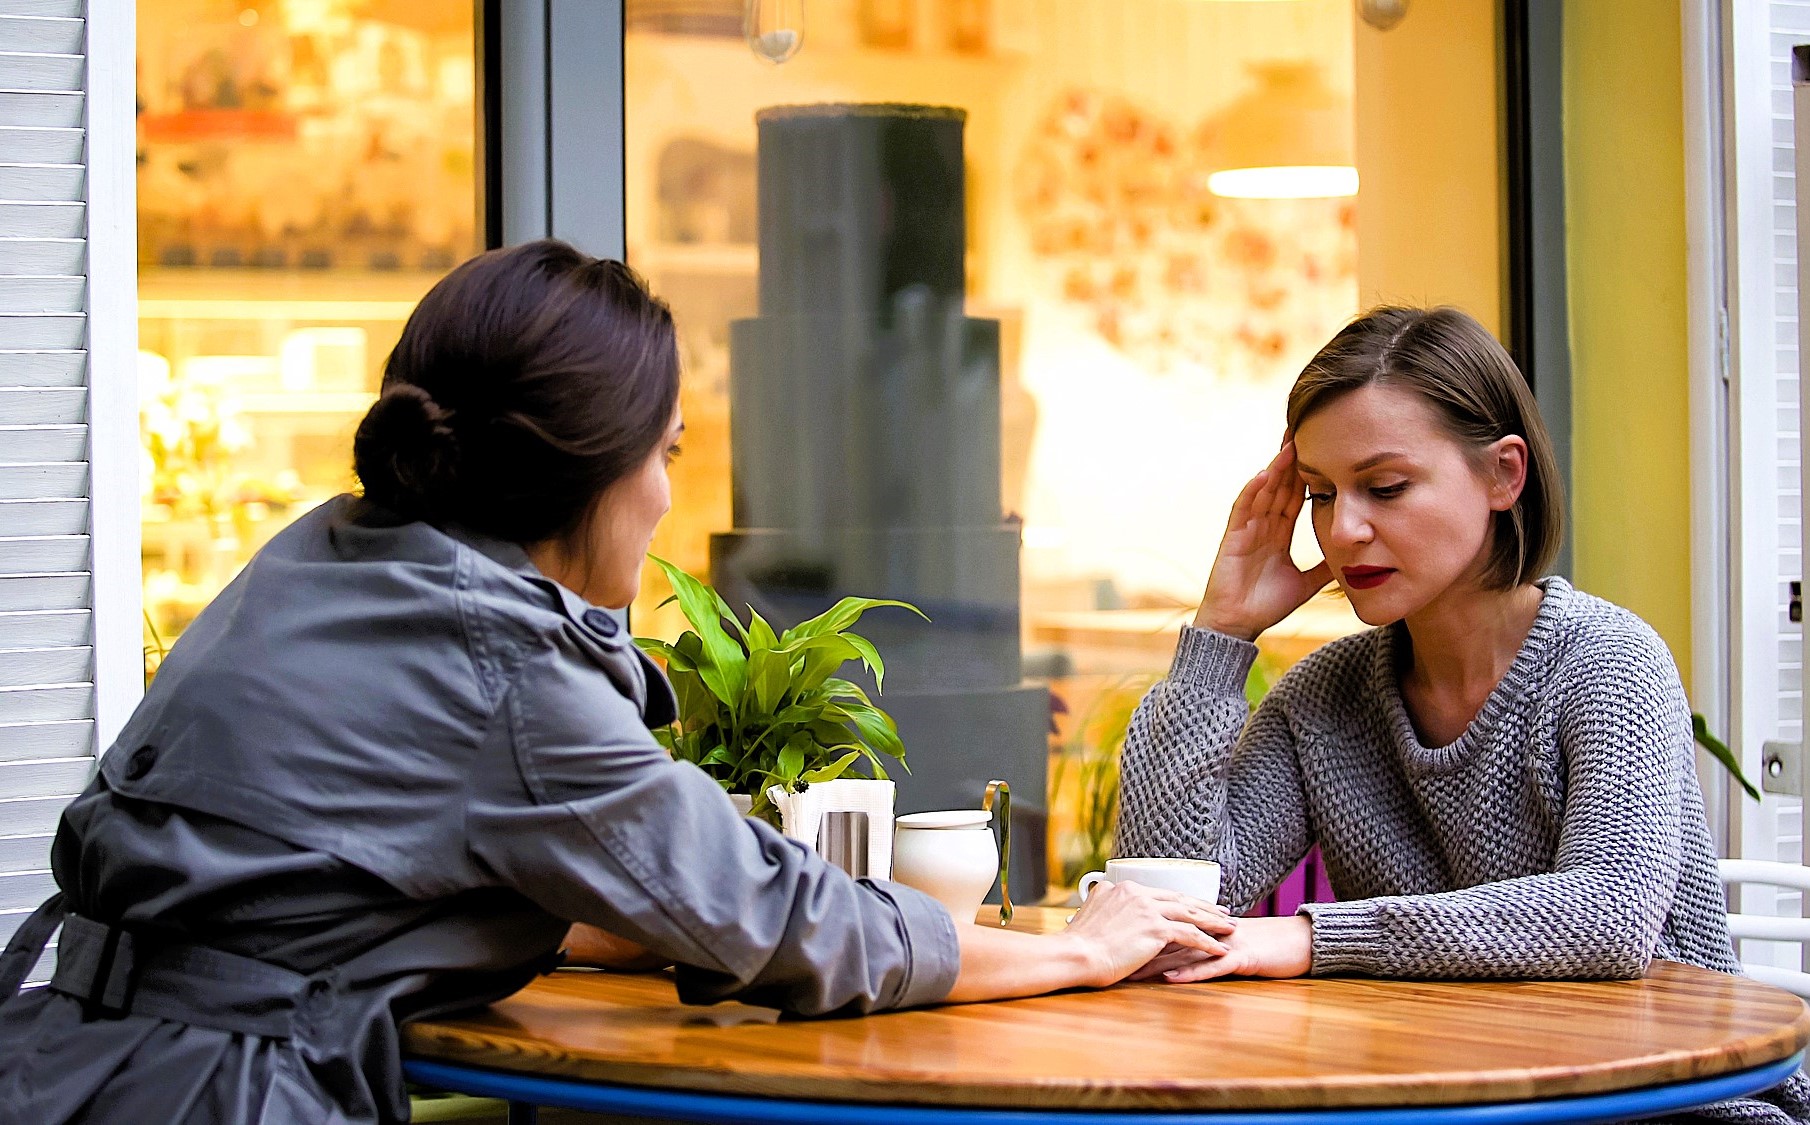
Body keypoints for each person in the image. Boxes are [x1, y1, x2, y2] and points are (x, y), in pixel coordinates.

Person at [0, 240, 1231, 1125]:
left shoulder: (327, 554)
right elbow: (799, 926)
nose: (667, 496)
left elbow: (355, 867)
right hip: (219, 1096)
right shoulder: (510, 672)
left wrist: (651, 914)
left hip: (61, 1055)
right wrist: (1079, 947)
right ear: (592, 471)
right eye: (669, 454)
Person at [1116, 305, 1810, 1123]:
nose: (1345, 530)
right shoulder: (1324, 698)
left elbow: (1608, 915)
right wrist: (1220, 634)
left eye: (1385, 487)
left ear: (1503, 475)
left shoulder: (1608, 663)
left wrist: (1315, 938)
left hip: (1669, 1113)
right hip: (1451, 1105)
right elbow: (1171, 911)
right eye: (1320, 493)